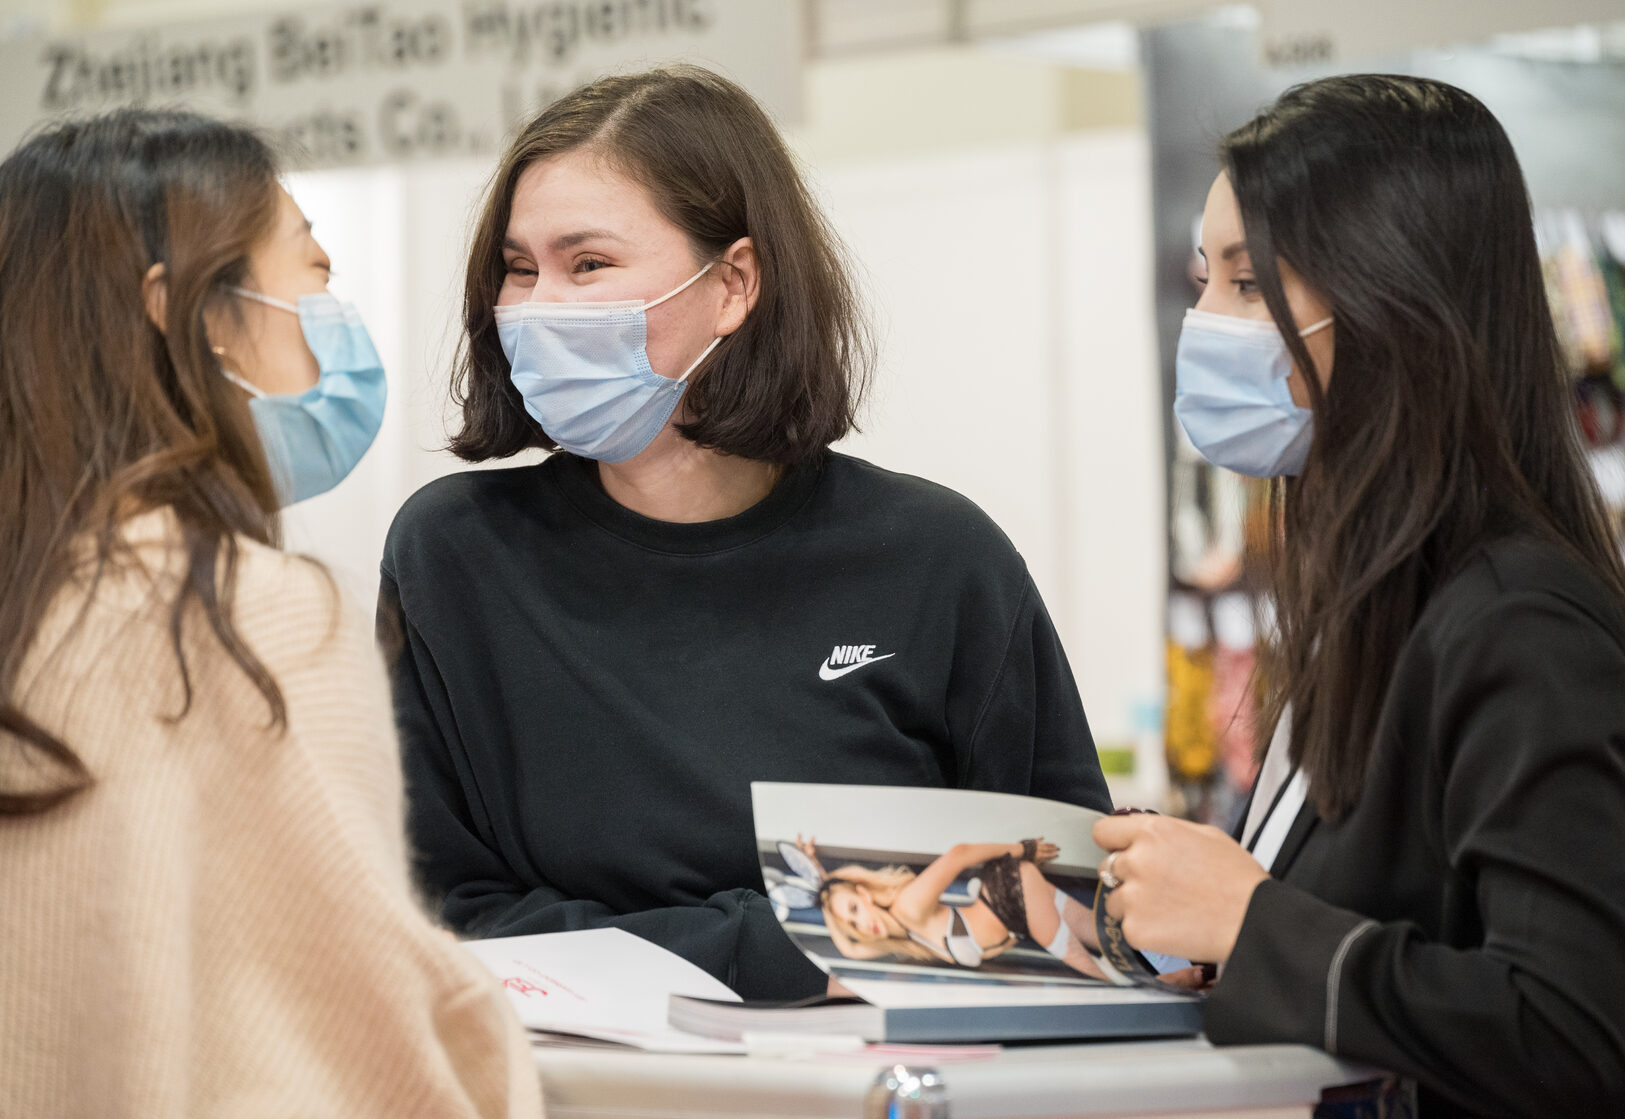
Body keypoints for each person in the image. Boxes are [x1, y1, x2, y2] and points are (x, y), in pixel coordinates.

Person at [379, 65, 1110, 1004]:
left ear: (733, 283)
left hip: (875, 1076)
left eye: (587, 264)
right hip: (574, 1075)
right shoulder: (455, 554)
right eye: (519, 269)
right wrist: (789, 951)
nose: (537, 306)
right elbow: (438, 916)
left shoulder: (939, 558)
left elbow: (1064, 898)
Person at [1092, 75, 1625, 1118]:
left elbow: (1575, 1033)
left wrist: (1253, 922)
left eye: (1248, 283)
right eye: (1204, 279)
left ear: (1389, 302)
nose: (1207, 321)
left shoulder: (1521, 627)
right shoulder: (1380, 607)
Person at [0, 110, 541, 1118]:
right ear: (187, 311)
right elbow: (366, 1056)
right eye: (315, 274)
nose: (336, 320)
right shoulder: (251, 617)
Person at [805, 836, 1110, 980]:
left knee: (1102, 974)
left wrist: (1023, 849)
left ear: (864, 893)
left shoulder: (908, 906)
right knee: (1103, 937)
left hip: (1009, 891)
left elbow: (959, 854)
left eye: (855, 909)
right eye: (851, 925)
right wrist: (823, 884)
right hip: (1015, 913)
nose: (862, 925)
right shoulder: (905, 937)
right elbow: (848, 949)